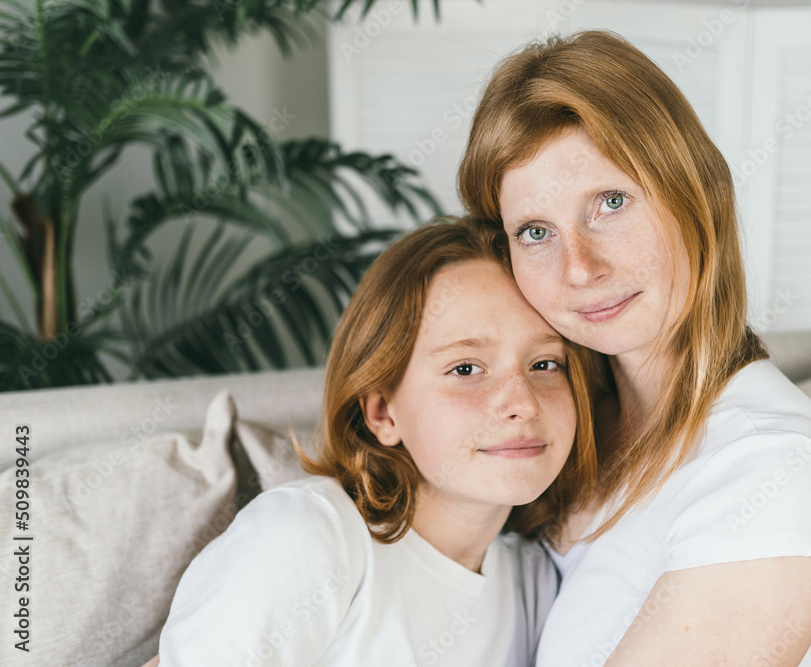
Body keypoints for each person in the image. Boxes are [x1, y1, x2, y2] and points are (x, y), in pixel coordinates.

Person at [458, 30, 811, 666]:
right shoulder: (564, 424)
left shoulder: (770, 469)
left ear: (694, 196)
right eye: (536, 231)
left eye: (611, 203)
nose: (579, 268)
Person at [152, 216, 599, 666]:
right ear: (383, 413)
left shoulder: (534, 582)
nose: (523, 402)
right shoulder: (311, 535)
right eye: (465, 369)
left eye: (544, 363)